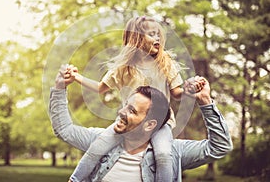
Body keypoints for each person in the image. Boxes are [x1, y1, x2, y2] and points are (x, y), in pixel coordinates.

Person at [64, 16, 205, 182]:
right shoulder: (123, 68)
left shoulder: (165, 63)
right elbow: (100, 88)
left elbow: (176, 93)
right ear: (136, 37)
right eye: (151, 34)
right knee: (98, 146)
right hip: (129, 124)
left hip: (159, 125)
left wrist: (189, 90)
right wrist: (76, 77)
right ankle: (74, 180)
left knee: (163, 155)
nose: (157, 38)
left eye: (158, 34)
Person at [49, 66, 233, 182]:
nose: (121, 112)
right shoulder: (101, 140)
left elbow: (220, 147)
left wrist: (205, 100)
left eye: (132, 111)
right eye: (126, 106)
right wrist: (59, 87)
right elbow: (64, 129)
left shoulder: (172, 153)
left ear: (149, 124)